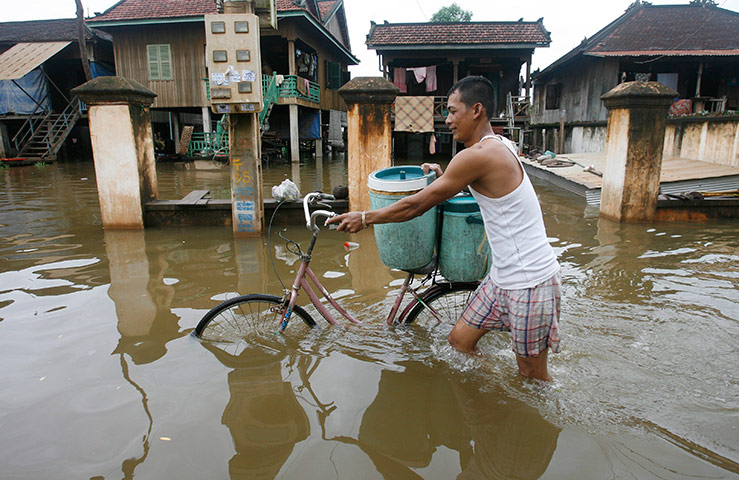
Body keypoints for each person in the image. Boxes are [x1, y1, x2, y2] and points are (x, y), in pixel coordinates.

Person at [327, 76, 561, 381]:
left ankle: (545, 413)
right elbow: (483, 187)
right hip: (502, 278)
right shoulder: (500, 144)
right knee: (459, 342)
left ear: (476, 110)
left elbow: (415, 205)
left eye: (452, 111)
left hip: (530, 281)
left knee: (533, 378)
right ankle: (500, 382)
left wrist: (365, 217)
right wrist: (444, 174)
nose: (447, 120)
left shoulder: (477, 156)